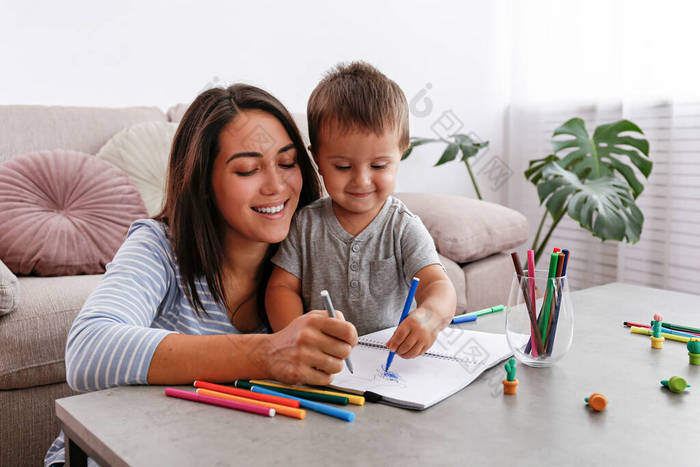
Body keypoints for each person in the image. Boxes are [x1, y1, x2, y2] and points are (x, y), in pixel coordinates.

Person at [45, 84, 357, 466]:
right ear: (204, 183)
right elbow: (87, 351)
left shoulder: (313, 249)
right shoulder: (159, 247)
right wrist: (267, 354)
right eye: (247, 169)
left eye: (287, 163)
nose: (276, 186)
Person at [265, 62, 456, 360]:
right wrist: (294, 332)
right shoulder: (305, 223)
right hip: (322, 358)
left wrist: (429, 318)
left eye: (379, 166)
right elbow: (281, 288)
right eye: (342, 167)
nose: (361, 180)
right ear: (317, 159)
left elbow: (438, 285)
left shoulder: (402, 226)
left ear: (401, 151)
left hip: (388, 360)